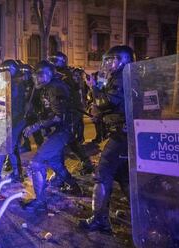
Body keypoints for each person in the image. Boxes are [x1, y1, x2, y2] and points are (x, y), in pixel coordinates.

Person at [79, 45, 135, 233]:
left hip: (121, 135)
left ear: (123, 60)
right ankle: (143, 215)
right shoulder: (120, 77)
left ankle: (100, 220)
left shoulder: (121, 78)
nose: (108, 64)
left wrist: (94, 88)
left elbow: (107, 102)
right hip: (123, 134)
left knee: (102, 175)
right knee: (123, 176)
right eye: (107, 60)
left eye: (112, 60)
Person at [22, 60, 82, 212]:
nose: (36, 79)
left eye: (39, 76)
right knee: (55, 162)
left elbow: (58, 116)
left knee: (36, 163)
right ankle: (74, 187)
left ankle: (40, 202)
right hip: (58, 131)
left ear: (47, 75)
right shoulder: (48, 87)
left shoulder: (55, 88)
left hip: (62, 131)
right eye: (35, 76)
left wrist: (35, 126)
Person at [49, 52, 94, 176]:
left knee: (63, 141)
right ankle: (86, 162)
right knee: (69, 140)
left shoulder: (66, 76)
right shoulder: (56, 75)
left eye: (54, 61)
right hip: (61, 112)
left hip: (69, 112)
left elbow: (70, 94)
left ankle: (60, 173)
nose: (52, 63)